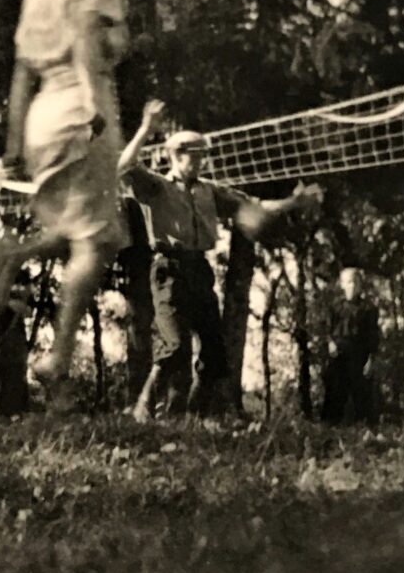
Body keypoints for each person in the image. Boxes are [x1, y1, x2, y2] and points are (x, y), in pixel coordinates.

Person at [0, 0, 128, 395]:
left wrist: (12, 147)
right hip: (81, 109)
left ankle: (13, 254)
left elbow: (20, 76)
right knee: (99, 241)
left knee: (72, 231)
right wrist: (91, 102)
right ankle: (57, 360)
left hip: (42, 118)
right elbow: (87, 32)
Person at [119, 100, 319, 421]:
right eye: (193, 156)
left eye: (202, 156)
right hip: (169, 271)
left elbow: (254, 206)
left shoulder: (210, 192)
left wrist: (293, 202)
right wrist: (146, 128)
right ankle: (144, 407)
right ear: (175, 156)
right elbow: (125, 167)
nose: (199, 162)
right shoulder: (157, 187)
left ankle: (194, 417)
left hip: (200, 270)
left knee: (214, 353)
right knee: (174, 347)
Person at [321, 267, 380, 425]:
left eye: (355, 282)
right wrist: (330, 344)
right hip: (338, 354)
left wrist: (371, 359)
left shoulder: (368, 309)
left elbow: (373, 336)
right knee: (334, 391)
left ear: (360, 285)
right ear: (342, 284)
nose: (352, 286)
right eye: (348, 282)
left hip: (359, 354)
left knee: (362, 394)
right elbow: (326, 330)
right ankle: (330, 428)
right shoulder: (334, 307)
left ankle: (365, 430)